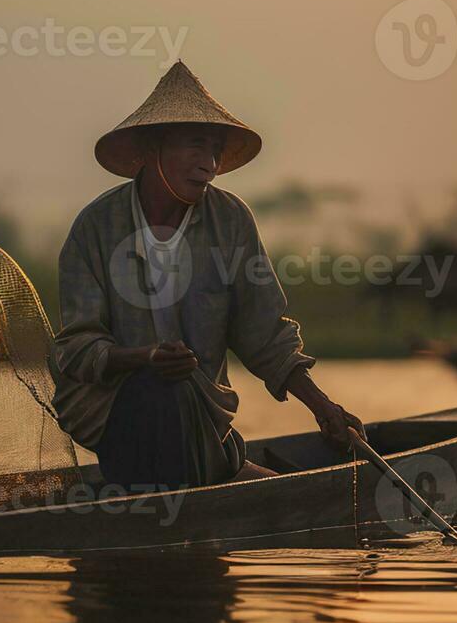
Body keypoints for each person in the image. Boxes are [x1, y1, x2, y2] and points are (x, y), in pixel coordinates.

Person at [52, 61, 361, 491]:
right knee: (163, 387)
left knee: (180, 396)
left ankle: (224, 472)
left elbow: (265, 335)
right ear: (152, 149)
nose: (210, 164)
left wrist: (323, 406)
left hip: (202, 422)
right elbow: (77, 349)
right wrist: (145, 357)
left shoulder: (230, 221)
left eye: (215, 151)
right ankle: (232, 470)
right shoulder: (96, 228)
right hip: (116, 421)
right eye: (196, 147)